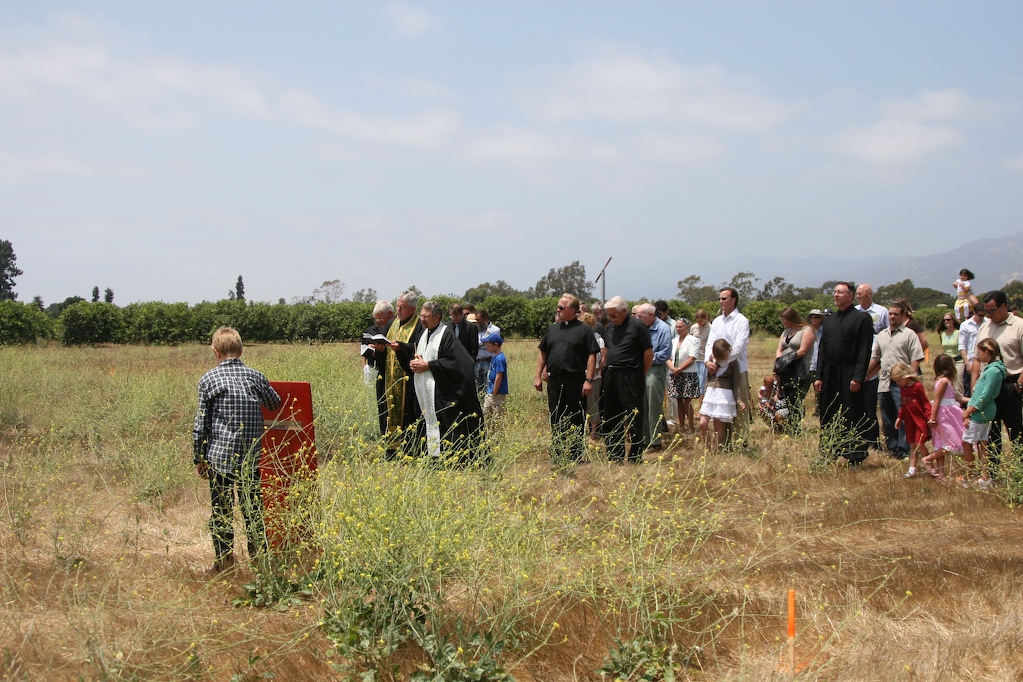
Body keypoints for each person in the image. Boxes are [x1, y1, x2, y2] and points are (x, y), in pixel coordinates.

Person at [192, 326, 282, 573]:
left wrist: (198, 457)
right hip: (249, 458)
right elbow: (274, 403)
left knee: (221, 512)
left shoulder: (208, 379)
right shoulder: (255, 376)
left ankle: (224, 563)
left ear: (216, 351)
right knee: (253, 511)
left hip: (219, 459)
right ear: (241, 350)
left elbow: (201, 423)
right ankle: (260, 562)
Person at [396, 301, 483, 462]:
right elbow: (419, 351)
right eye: (421, 316)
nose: (422, 319)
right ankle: (430, 455)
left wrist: (429, 365)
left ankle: (448, 457)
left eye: (425, 316)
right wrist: (406, 353)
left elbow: (458, 362)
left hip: (442, 392)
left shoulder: (446, 335)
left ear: (436, 317)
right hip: (426, 390)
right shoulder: (425, 334)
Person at [814, 282, 875, 466]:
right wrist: (818, 376)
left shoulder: (861, 319)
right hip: (830, 373)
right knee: (829, 411)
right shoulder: (829, 320)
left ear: (850, 296)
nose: (836, 295)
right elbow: (822, 350)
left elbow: (864, 350)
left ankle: (854, 455)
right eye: (835, 292)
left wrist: (858, 377)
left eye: (840, 292)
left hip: (850, 372)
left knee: (852, 411)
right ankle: (829, 451)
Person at [534, 294, 599, 461]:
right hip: (555, 380)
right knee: (556, 416)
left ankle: (576, 453)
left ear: (572, 310)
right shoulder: (552, 329)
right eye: (558, 307)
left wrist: (588, 380)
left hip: (576, 380)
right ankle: (558, 451)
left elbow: (592, 355)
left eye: (561, 307)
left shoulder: (584, 330)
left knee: (576, 417)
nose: (558, 310)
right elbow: (543, 354)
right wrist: (537, 376)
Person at [867, 301, 925, 460]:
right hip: (884, 382)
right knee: (887, 418)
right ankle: (892, 447)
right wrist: (864, 375)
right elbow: (876, 359)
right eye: (890, 314)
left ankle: (904, 449)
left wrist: (911, 380)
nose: (892, 317)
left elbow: (916, 358)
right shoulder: (882, 335)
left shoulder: (909, 334)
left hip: (902, 383)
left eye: (896, 314)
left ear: (903, 315)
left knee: (904, 417)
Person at [601, 296, 653, 463]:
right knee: (611, 416)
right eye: (609, 315)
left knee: (633, 417)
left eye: (614, 314)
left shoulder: (637, 326)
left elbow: (648, 354)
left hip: (630, 375)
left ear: (624, 311)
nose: (611, 318)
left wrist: (640, 373)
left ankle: (635, 456)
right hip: (611, 375)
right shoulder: (610, 327)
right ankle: (615, 454)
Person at [975, 289, 1023, 466]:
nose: (989, 315)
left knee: (1015, 429)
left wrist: (1018, 386)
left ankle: (1018, 469)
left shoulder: (1019, 326)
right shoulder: (985, 326)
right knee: (990, 430)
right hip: (987, 384)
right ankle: (992, 470)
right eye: (986, 311)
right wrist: (975, 384)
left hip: (1011, 384)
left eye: (992, 311)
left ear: (1004, 306)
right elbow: (976, 357)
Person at [382, 290, 425, 456]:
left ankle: (408, 449)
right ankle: (391, 447)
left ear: (412, 309)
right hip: (390, 378)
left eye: (402, 307)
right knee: (389, 411)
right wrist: (378, 348)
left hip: (408, 381)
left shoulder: (419, 325)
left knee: (408, 413)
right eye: (397, 306)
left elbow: (418, 348)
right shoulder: (392, 323)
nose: (398, 309)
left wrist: (401, 348)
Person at [960, 338, 1005, 490]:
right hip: (980, 410)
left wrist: (969, 411)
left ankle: (970, 475)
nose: (978, 355)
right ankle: (984, 476)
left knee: (967, 442)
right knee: (982, 443)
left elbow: (985, 395)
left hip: (981, 411)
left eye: (979, 352)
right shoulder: (991, 369)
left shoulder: (993, 371)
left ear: (987, 352)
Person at [705, 288, 751, 429]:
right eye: (720, 298)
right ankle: (723, 439)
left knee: (739, 405)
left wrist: (719, 363)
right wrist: (708, 362)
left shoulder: (741, 321)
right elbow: (710, 343)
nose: (721, 301)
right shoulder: (717, 321)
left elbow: (738, 348)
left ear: (733, 300)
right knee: (721, 406)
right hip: (717, 370)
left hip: (737, 368)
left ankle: (740, 438)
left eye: (724, 298)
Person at [635, 303, 672, 452]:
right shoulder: (641, 327)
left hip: (655, 369)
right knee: (642, 404)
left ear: (651, 315)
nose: (638, 319)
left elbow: (665, 353)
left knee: (653, 406)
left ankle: (655, 442)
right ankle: (644, 439)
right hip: (641, 369)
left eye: (640, 316)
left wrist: (646, 358)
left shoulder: (663, 328)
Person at [923, 354, 965, 481]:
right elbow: (937, 400)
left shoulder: (943, 381)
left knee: (941, 442)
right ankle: (927, 459)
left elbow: (956, 397)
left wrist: (973, 401)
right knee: (954, 442)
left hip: (945, 413)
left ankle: (941, 474)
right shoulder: (944, 381)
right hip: (945, 415)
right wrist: (933, 418)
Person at [855, 284, 888, 448]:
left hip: (871, 376)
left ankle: (874, 441)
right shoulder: (854, 312)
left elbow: (880, 356)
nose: (857, 296)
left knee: (870, 410)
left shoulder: (882, 313)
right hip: (856, 376)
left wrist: (867, 374)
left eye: (860, 293)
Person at [699, 339, 746, 449]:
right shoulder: (711, 359)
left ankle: (716, 449)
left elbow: (736, 382)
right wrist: (704, 395)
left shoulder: (733, 362)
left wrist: (738, 399)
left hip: (724, 395)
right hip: (710, 393)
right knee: (702, 423)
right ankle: (707, 447)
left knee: (718, 425)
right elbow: (707, 379)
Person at [773, 307, 814, 428]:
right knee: (786, 397)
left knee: (796, 397)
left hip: (800, 370)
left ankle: (796, 425)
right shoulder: (786, 332)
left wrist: (787, 360)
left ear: (791, 318)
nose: (783, 322)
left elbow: (803, 351)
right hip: (786, 370)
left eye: (784, 319)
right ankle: (788, 423)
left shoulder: (806, 331)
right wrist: (779, 362)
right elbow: (779, 349)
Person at [891, 363, 931, 479]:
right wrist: (899, 417)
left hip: (919, 420)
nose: (898, 384)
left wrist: (930, 418)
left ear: (905, 376)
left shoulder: (917, 386)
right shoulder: (903, 388)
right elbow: (903, 404)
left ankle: (929, 465)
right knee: (912, 445)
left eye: (899, 381)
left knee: (919, 443)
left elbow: (926, 403)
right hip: (909, 421)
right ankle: (911, 469)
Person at [364, 301, 395, 435]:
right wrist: (378, 350)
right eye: (375, 319)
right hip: (382, 372)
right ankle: (384, 434)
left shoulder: (397, 327)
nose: (378, 321)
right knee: (382, 405)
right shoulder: (378, 329)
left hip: (397, 374)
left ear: (390, 313)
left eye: (380, 318)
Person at [666, 317, 699, 434]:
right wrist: (672, 368)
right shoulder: (673, 341)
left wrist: (679, 369)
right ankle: (681, 426)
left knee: (686, 401)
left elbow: (692, 358)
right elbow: (668, 357)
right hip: (674, 374)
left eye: (681, 327)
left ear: (687, 327)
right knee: (678, 400)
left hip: (688, 373)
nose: (678, 329)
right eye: (677, 327)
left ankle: (691, 426)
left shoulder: (693, 340)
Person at [580, 312, 607, 440]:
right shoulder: (579, 338)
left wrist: (593, 373)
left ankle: (593, 432)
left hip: (594, 378)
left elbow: (602, 359)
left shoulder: (599, 339)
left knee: (593, 405)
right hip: (579, 376)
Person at [481, 332, 507, 428]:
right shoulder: (493, 356)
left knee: (497, 417)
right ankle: (488, 433)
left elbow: (499, 376)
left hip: (497, 393)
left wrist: (495, 392)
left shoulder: (500, 358)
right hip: (490, 391)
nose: (487, 348)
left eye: (488, 346)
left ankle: (496, 436)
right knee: (486, 413)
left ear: (495, 345)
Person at [959, 305, 985, 397]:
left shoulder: (988, 323)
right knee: (969, 390)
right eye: (980, 315)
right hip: (971, 361)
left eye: (983, 315)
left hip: (985, 361)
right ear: (974, 313)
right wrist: (967, 362)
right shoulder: (965, 325)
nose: (982, 317)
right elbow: (962, 345)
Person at [474, 310, 501, 393]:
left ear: (485, 318)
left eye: (478, 320)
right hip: (477, 362)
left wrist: (479, 344)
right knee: (478, 387)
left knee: (488, 386)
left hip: (488, 361)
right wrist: (484, 343)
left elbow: (490, 345)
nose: (477, 322)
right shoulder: (476, 329)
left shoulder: (494, 330)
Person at [690, 308, 712, 395]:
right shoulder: (693, 327)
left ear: (706, 318)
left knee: (703, 383)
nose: (699, 323)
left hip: (704, 359)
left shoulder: (711, 328)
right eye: (697, 321)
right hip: (694, 358)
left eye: (701, 321)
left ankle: (702, 400)